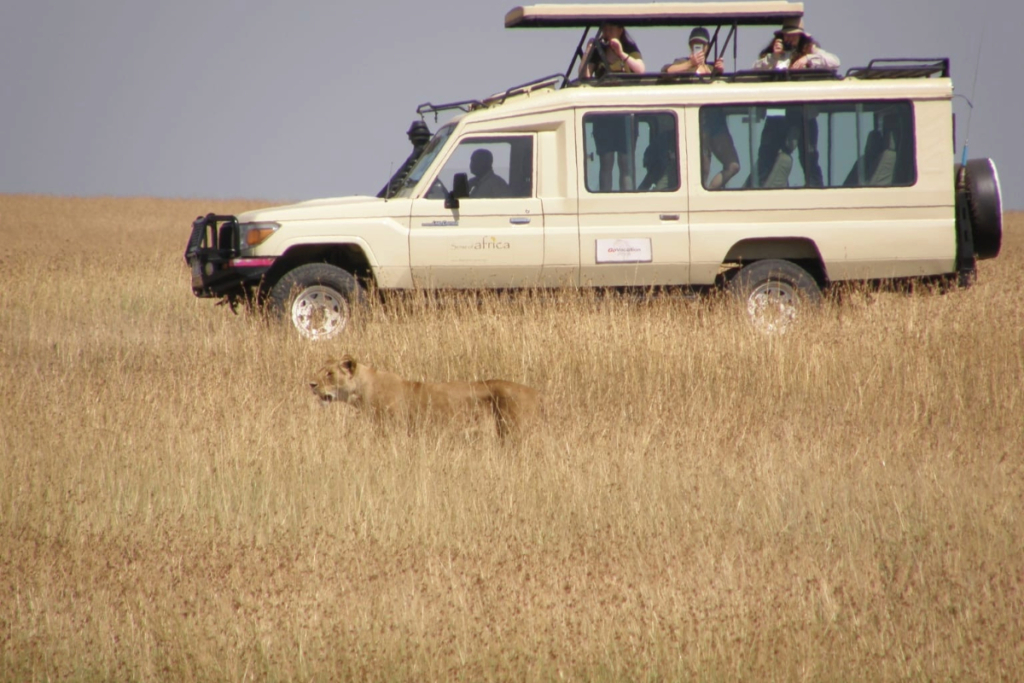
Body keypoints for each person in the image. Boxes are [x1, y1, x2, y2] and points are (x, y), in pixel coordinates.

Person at [579, 22, 645, 79]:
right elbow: (585, 76)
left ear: (620, 31)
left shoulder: (629, 48)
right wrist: (587, 52)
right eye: (605, 30)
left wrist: (621, 53)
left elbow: (640, 70)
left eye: (610, 30)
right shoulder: (598, 50)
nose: (607, 33)